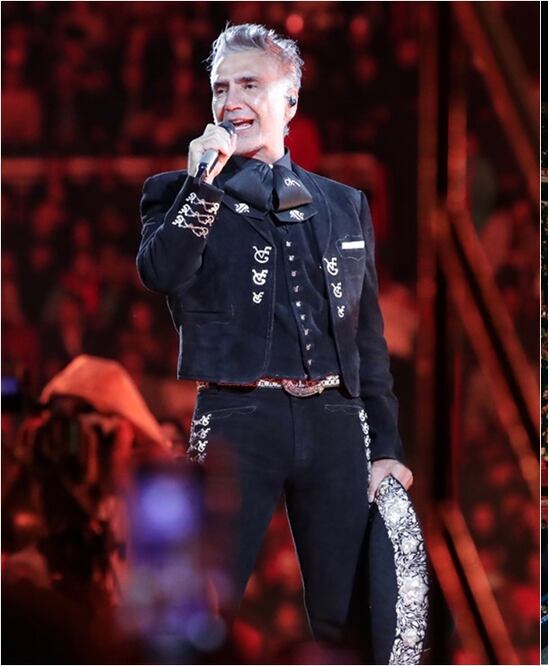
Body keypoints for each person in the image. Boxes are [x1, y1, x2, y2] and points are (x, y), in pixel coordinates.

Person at [135, 24, 422, 663]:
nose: (231, 100)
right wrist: (203, 186)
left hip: (336, 421)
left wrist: (387, 445)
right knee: (203, 607)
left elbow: (367, 338)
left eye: (249, 84)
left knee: (346, 618)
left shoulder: (343, 204)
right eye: (220, 88)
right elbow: (162, 272)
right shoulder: (177, 193)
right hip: (237, 415)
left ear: (289, 100)